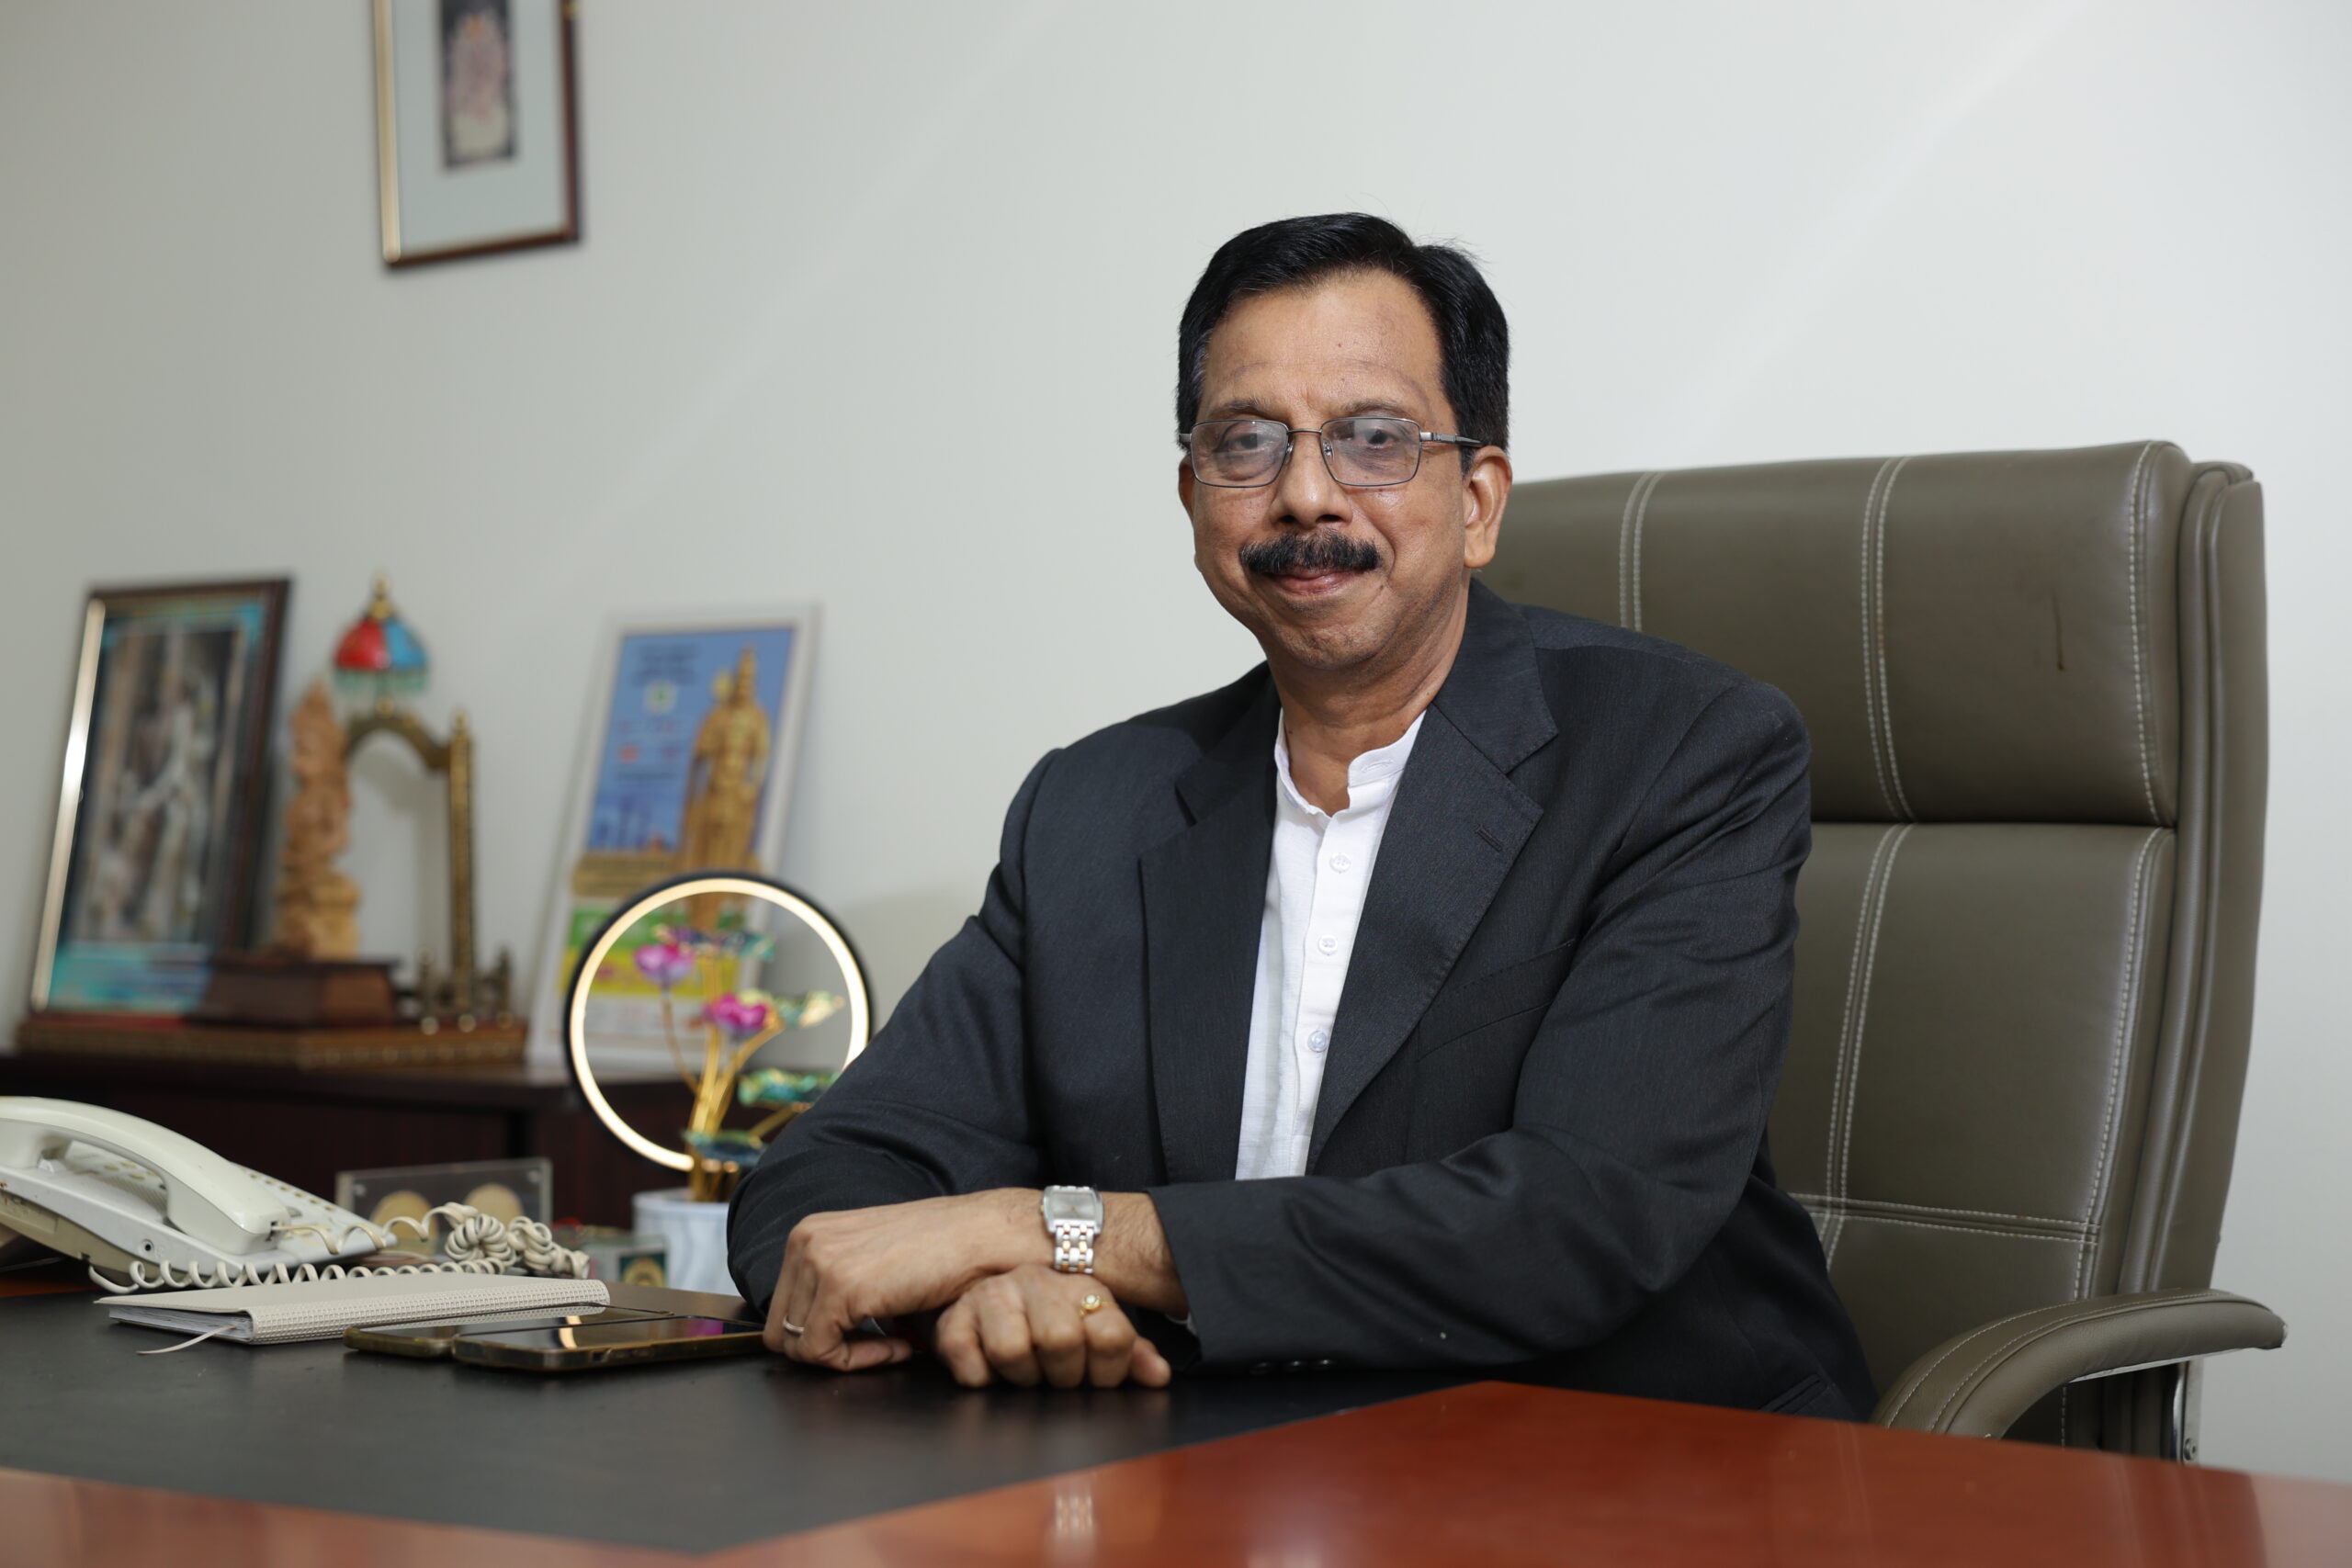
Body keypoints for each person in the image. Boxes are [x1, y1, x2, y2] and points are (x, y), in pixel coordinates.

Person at [728, 213, 1874, 1417]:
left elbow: (1577, 1219)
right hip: (1217, 1463)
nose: (1306, 494)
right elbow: (830, 1180)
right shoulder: (1095, 807)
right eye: (1247, 443)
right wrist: (980, 1295)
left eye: (1375, 439)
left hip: (1630, 1457)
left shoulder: (1681, 754)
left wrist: (1056, 1234)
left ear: (1479, 501)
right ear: (1193, 500)